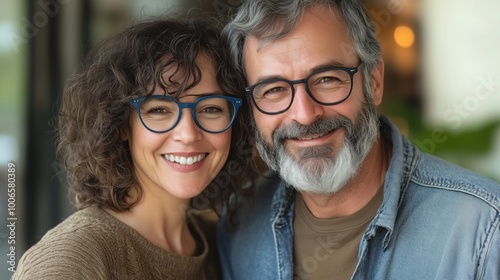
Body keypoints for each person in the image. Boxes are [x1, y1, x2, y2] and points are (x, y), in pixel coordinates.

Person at [217, 0, 500, 279]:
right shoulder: (238, 225)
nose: (304, 115)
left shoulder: (482, 228)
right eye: (274, 90)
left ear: (374, 82)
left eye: (327, 79)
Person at [13, 17, 254, 280]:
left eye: (210, 109)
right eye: (159, 110)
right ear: (121, 125)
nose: (188, 134)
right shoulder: (70, 259)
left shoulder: (224, 242)